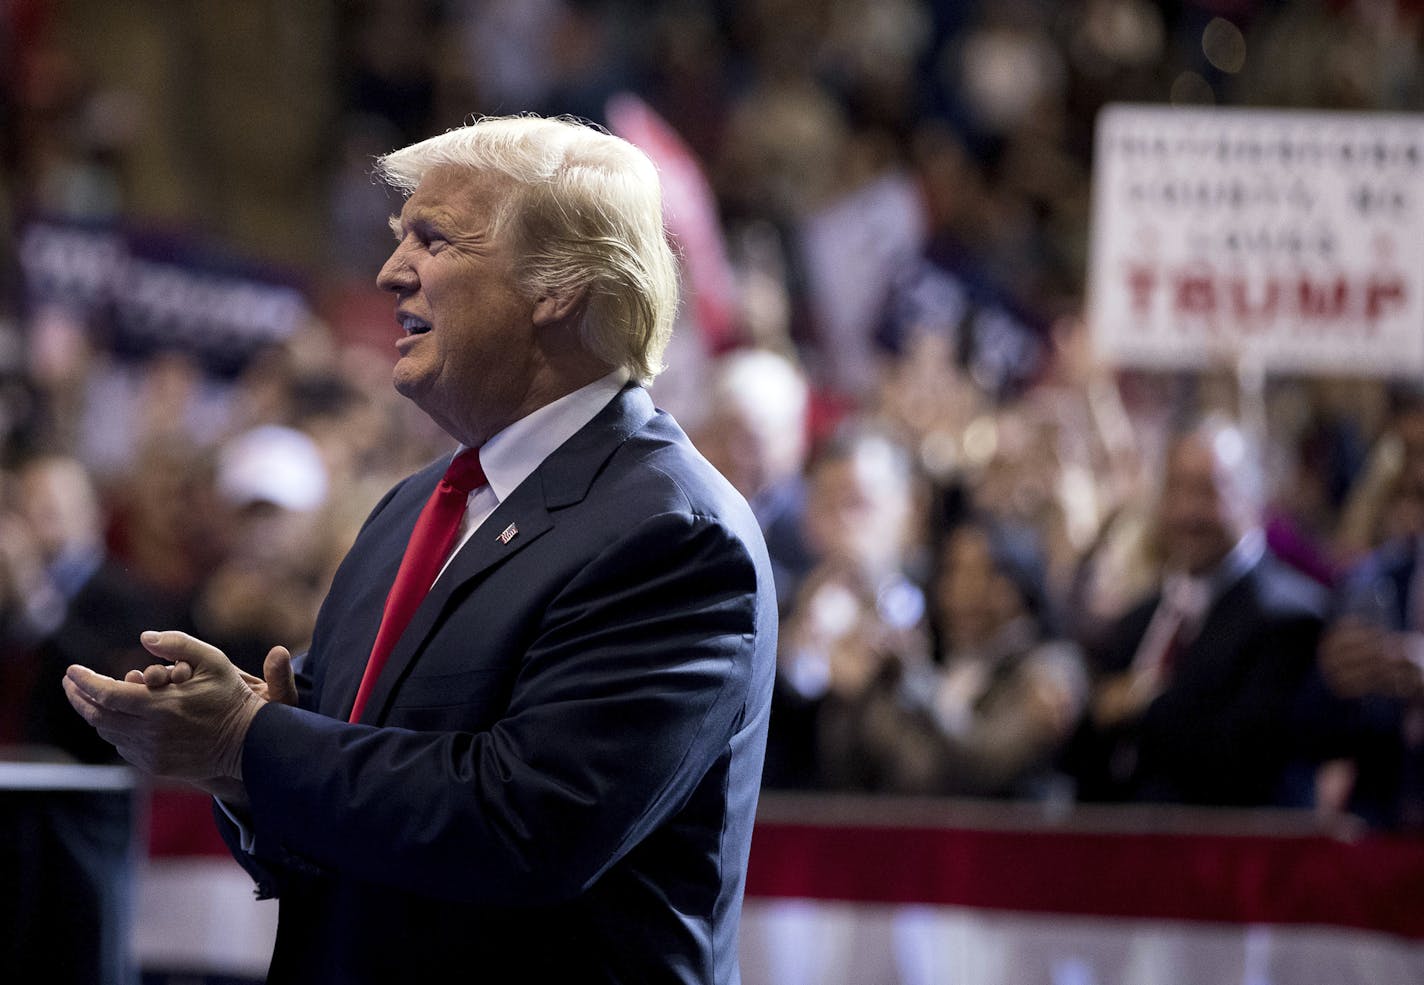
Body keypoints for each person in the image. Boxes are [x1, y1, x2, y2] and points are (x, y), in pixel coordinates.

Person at [61, 115, 778, 985]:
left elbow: (524, 828)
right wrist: (252, 770)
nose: (389, 270)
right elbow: (340, 812)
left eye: (432, 240)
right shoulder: (411, 509)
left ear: (557, 286)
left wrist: (252, 743)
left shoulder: (673, 534)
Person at [1069, 417, 1328, 806]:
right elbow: (1089, 742)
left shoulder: (1290, 617)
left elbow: (1238, 756)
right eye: (1175, 489)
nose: (1187, 512)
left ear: (1251, 499)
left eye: (1208, 492)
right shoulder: (1139, 620)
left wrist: (1141, 703)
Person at [817, 516, 1088, 797]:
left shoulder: (1052, 670)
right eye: (951, 573)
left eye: (979, 574)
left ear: (1016, 585)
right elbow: (900, 769)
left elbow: (981, 766)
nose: (959, 593)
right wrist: (864, 691)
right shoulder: (945, 668)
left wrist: (915, 678)